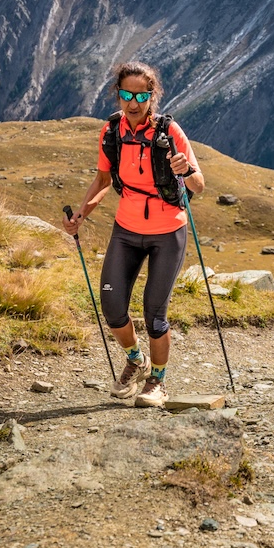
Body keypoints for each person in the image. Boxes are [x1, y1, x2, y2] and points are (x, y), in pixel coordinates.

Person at [63, 61, 204, 408]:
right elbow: (102, 180)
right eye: (126, 94)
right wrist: (83, 213)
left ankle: (157, 381)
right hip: (126, 229)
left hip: (168, 230)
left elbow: (199, 186)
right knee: (112, 307)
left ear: (152, 96)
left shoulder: (171, 133)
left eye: (141, 95)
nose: (133, 102)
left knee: (155, 315)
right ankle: (135, 360)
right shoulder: (111, 132)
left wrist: (185, 171)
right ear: (118, 94)